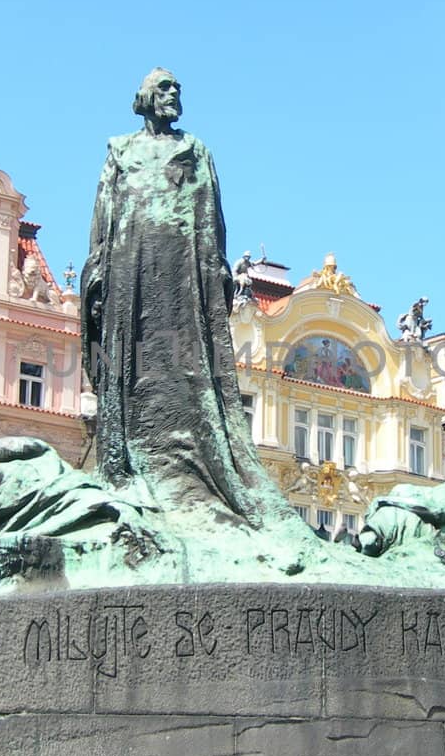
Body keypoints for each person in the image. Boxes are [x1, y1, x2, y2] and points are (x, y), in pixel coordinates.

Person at [81, 69, 301, 535]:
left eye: (177, 88)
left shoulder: (195, 148)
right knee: (130, 359)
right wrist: (98, 265)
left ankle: (191, 463)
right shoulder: (120, 149)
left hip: (182, 265)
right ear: (144, 98)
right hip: (130, 259)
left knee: (186, 359)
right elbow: (104, 210)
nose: (174, 94)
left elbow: (209, 210)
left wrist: (215, 264)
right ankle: (127, 461)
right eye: (164, 88)